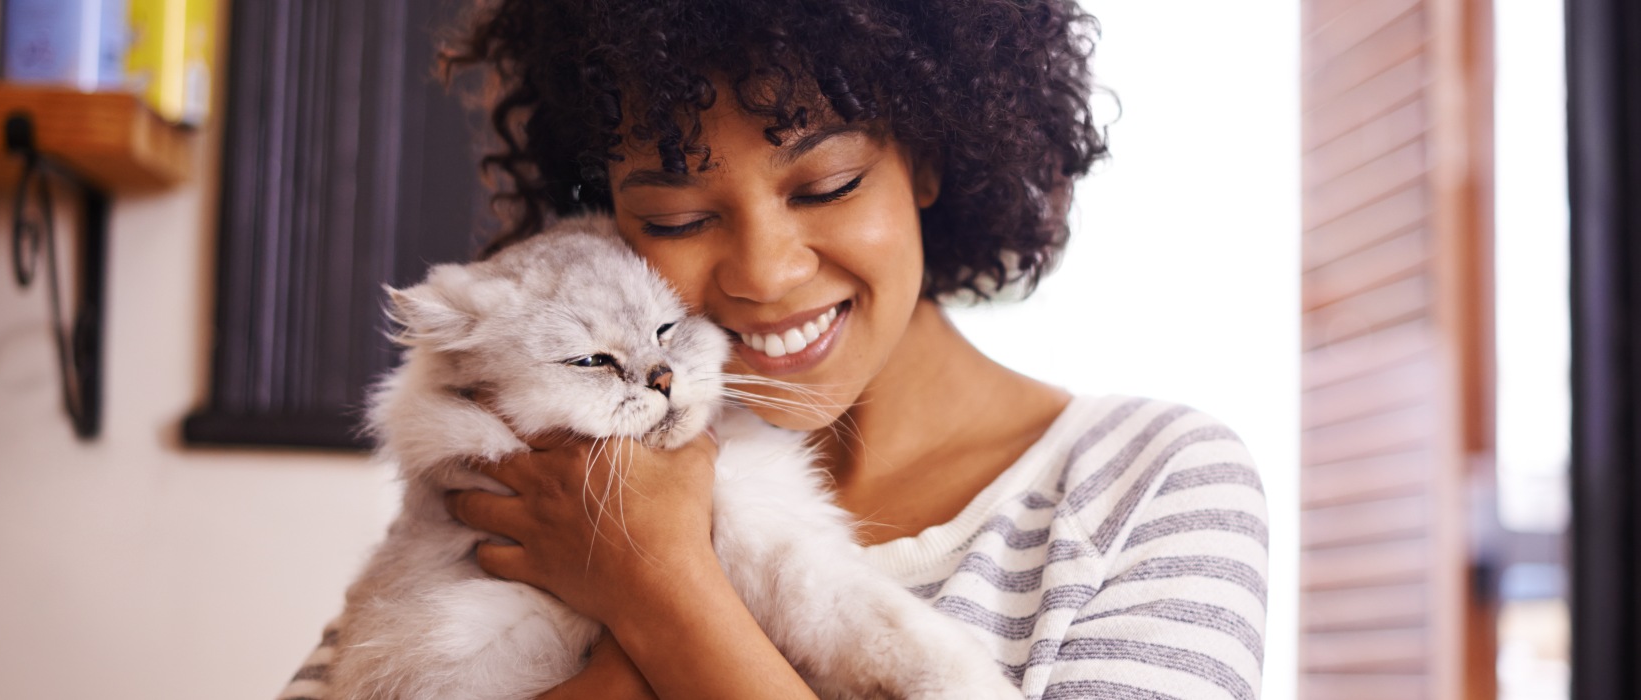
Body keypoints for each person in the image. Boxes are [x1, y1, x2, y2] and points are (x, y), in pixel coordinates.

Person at [278, 1, 1268, 698]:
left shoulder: (1151, 487)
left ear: (926, 158)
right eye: (676, 214)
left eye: (827, 185)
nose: (763, 271)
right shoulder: (537, 473)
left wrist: (661, 589)